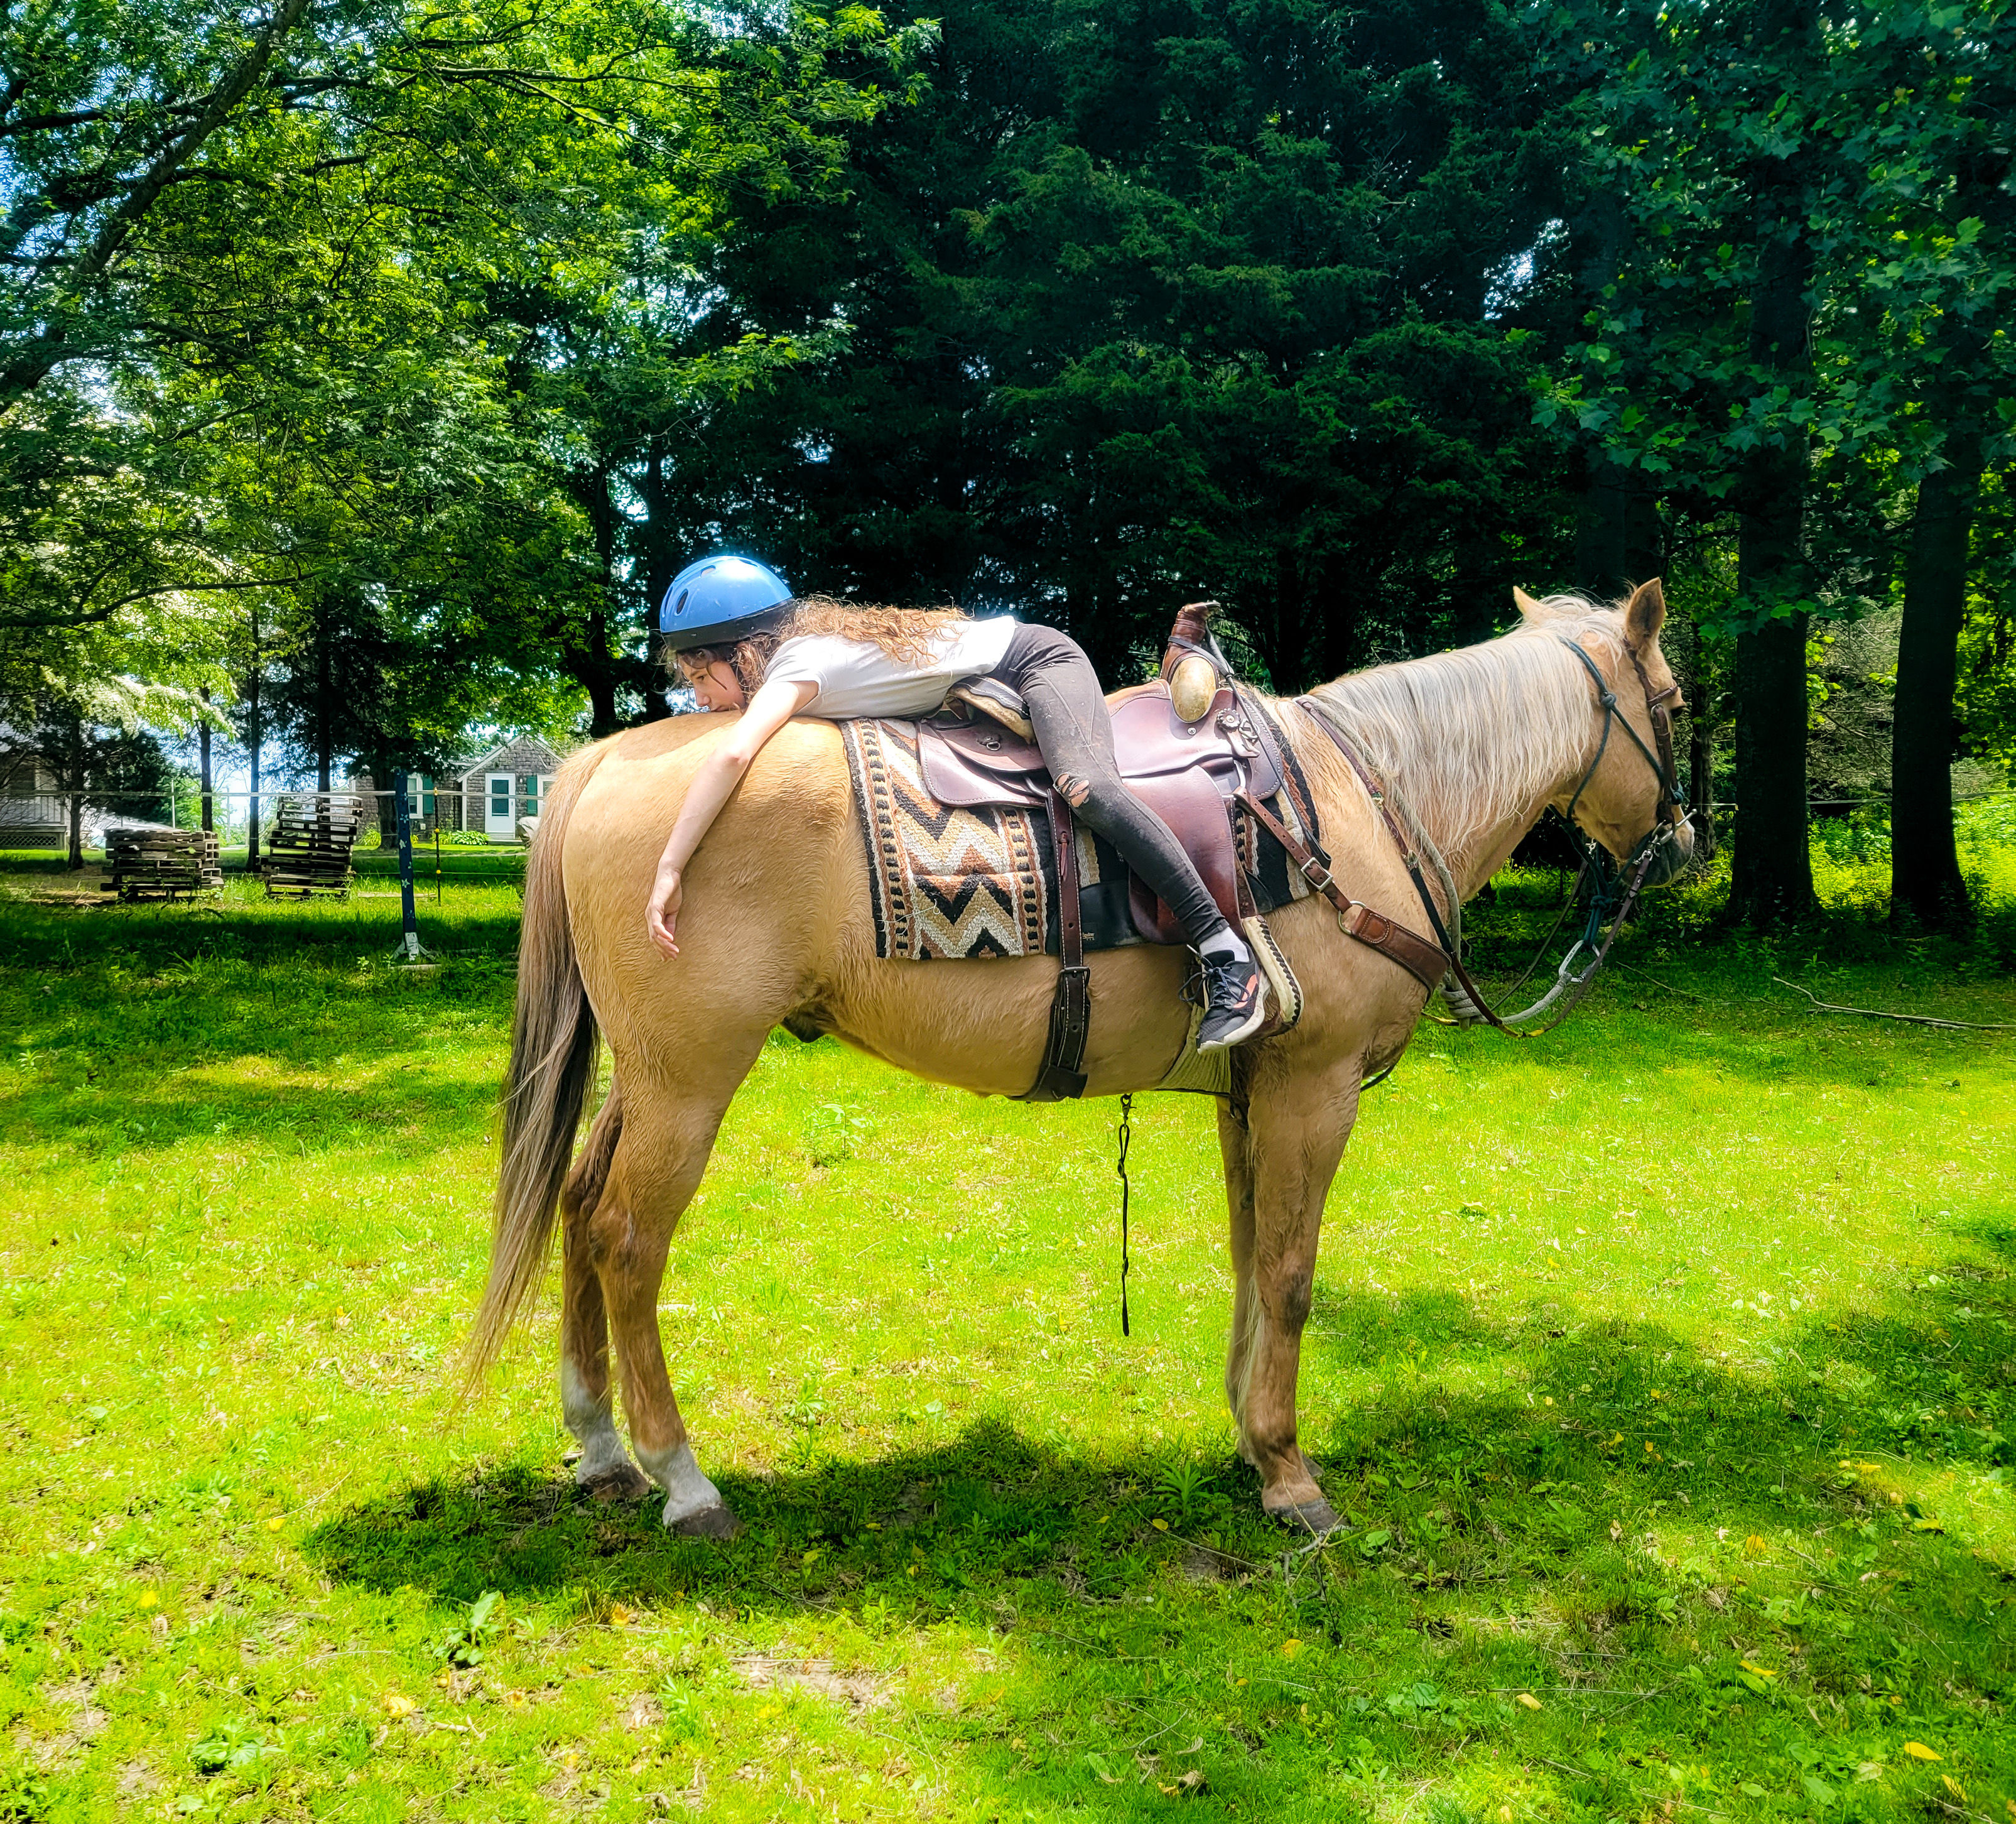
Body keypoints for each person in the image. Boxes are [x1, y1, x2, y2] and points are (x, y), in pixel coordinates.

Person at [644, 554, 1266, 1051]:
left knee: (1086, 787)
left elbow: (732, 756)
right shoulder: (803, 659)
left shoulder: (796, 668)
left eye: (704, 677)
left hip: (1035, 661)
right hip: (982, 686)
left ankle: (1227, 952)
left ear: (748, 654)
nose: (701, 698)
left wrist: (670, 867)